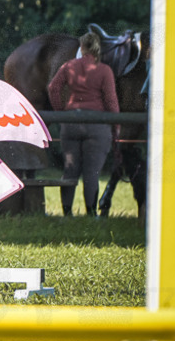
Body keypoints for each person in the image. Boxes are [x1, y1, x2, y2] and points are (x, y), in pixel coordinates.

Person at [47, 31, 120, 216]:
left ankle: (67, 212)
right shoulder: (104, 70)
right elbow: (111, 101)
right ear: (97, 48)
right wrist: (116, 127)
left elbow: (53, 88)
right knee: (91, 172)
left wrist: (60, 112)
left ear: (81, 47)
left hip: (71, 121)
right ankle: (91, 213)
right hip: (97, 125)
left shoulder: (68, 66)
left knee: (70, 169)